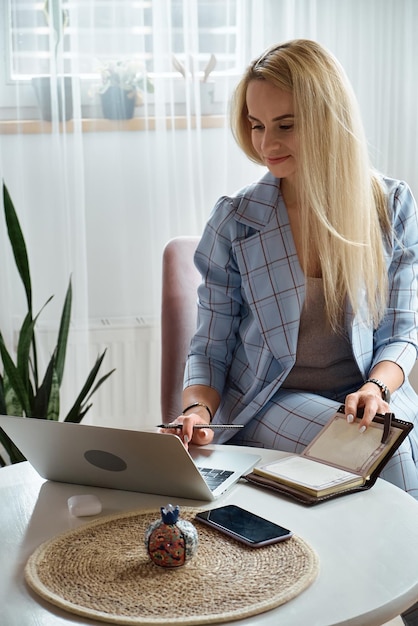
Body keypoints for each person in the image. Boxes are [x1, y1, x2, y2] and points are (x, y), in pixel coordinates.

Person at [164, 39, 418, 498]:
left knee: (398, 441)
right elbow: (211, 346)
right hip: (270, 398)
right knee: (387, 453)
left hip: (369, 388)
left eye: (285, 125)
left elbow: (402, 331)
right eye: (257, 125)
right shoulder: (235, 222)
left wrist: (376, 387)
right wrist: (198, 412)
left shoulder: (391, 206)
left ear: (328, 121)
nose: (266, 143)